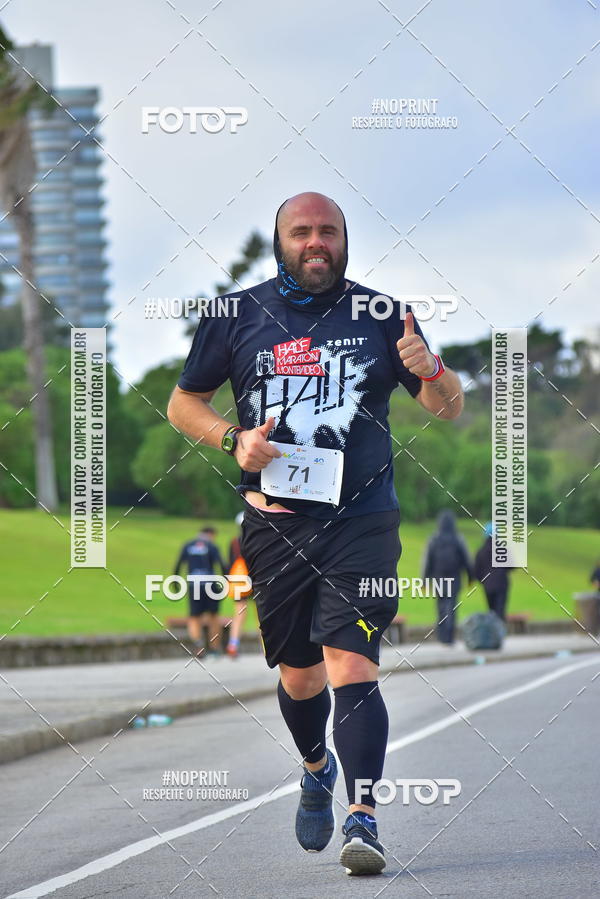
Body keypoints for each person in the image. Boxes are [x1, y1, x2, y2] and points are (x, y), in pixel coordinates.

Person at [167, 191, 464, 875]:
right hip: (275, 527)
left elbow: (448, 409)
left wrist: (434, 371)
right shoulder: (235, 315)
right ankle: (314, 764)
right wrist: (231, 439)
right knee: (301, 678)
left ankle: (364, 815)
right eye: (301, 232)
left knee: (352, 662)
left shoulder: (383, 315)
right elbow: (186, 400)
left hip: (362, 522)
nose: (316, 242)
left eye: (328, 231)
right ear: (280, 241)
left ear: (344, 239)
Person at [173, 526, 226, 656]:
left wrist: (175, 582)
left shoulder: (188, 545)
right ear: (211, 534)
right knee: (213, 616)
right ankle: (214, 648)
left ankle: (198, 645)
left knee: (194, 617)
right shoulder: (211, 546)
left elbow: (179, 564)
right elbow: (222, 565)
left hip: (194, 584)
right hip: (210, 584)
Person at [422, 510, 473, 645]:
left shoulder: (434, 539)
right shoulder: (458, 539)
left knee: (440, 606)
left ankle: (442, 635)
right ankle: (449, 636)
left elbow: (427, 561)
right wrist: (470, 577)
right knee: (451, 606)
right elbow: (467, 560)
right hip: (454, 578)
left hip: (438, 579)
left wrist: (424, 580)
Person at [226, 511, 253, 659]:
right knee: (262, 616)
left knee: (239, 614)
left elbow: (229, 564)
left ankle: (233, 644)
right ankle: (266, 647)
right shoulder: (256, 540)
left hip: (238, 580)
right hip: (255, 579)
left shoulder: (234, 542)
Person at [474, 522, 511, 621]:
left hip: (488, 585)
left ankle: (493, 632)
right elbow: (513, 565)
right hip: (502, 584)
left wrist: (483, 581)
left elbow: (476, 571)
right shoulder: (503, 549)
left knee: (491, 611)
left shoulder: (481, 551)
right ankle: (499, 632)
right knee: (500, 611)